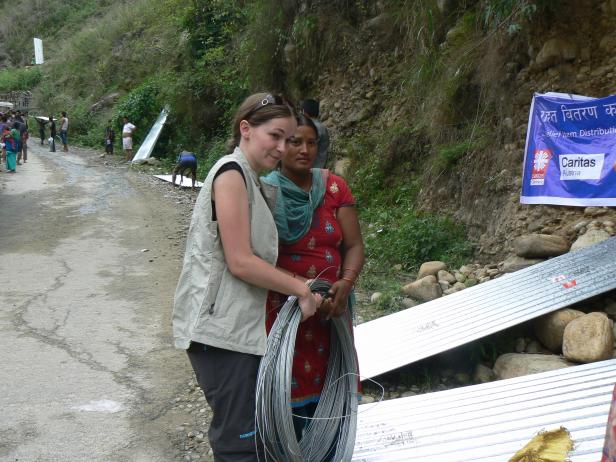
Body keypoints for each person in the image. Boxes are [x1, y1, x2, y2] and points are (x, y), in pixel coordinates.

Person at [173, 92, 322, 462]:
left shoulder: (252, 180)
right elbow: (240, 261)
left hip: (238, 329)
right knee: (240, 445)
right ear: (246, 130)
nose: (282, 147)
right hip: (221, 333)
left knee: (252, 439)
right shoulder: (231, 175)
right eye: (275, 135)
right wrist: (301, 288)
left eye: (288, 139)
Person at [261, 114, 364, 443]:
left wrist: (345, 283)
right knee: (282, 398)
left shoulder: (335, 187)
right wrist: (301, 291)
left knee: (333, 390)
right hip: (285, 310)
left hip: (333, 309)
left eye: (311, 142)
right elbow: (256, 257)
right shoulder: (266, 191)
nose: (304, 149)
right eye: (294, 142)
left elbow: (354, 244)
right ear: (280, 145)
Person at [300, 98, 330, 169]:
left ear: (304, 112)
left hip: (313, 170)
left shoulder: (313, 127)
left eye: (301, 111)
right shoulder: (320, 126)